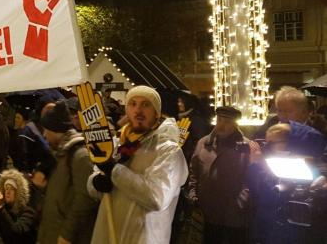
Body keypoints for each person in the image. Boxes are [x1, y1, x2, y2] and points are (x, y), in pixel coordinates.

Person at [88, 85, 188, 244]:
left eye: (146, 104)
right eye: (133, 104)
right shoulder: (117, 143)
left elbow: (156, 198)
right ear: (126, 110)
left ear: (156, 112)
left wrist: (115, 171)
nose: (138, 110)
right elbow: (96, 183)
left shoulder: (168, 150)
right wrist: (95, 183)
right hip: (108, 235)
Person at [188, 106, 259, 244]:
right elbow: (194, 171)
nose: (221, 125)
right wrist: (193, 194)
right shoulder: (204, 143)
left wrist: (242, 201)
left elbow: (252, 178)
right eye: (219, 120)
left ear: (235, 124)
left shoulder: (246, 147)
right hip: (206, 211)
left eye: (227, 121)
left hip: (233, 216)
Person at [248, 121, 327, 244]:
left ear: (292, 143)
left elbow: (270, 194)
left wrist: (256, 166)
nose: (267, 147)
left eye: (272, 143)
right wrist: (256, 165)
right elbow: (259, 195)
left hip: (297, 233)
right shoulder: (277, 164)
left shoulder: (313, 171)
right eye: (266, 142)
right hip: (273, 231)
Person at [38, 101, 97, 244]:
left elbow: (85, 198)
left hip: (65, 237)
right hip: (54, 233)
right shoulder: (62, 153)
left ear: (55, 129)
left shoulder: (79, 155)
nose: (44, 135)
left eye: (46, 130)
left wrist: (67, 234)